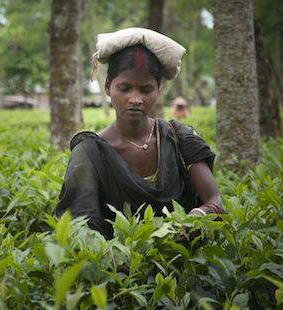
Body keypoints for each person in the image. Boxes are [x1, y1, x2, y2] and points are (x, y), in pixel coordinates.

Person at [55, 28, 225, 241]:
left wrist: (199, 215)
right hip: (120, 270)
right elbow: (78, 224)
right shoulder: (90, 153)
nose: (136, 99)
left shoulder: (179, 137)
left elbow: (214, 199)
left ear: (158, 88)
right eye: (125, 88)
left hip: (187, 263)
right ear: (108, 86)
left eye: (145, 90)